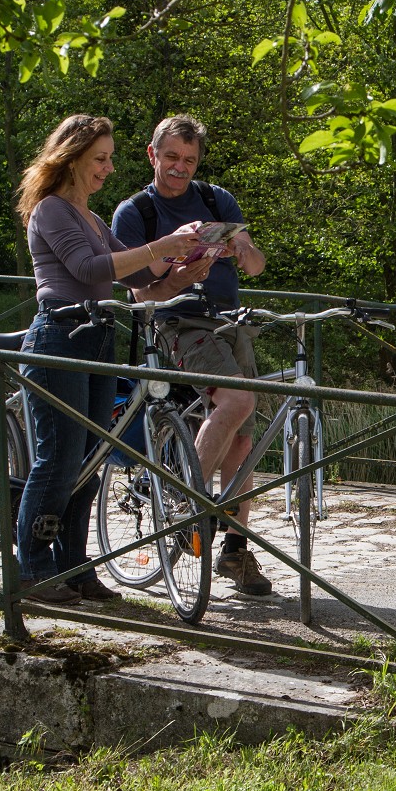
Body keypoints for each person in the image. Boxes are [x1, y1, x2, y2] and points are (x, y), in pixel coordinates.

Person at [15, 114, 202, 605]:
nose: (108, 168)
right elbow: (87, 267)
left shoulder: (94, 220)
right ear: (71, 157)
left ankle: (74, 568)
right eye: (100, 158)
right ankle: (30, 570)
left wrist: (185, 265)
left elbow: (142, 279)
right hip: (60, 335)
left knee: (90, 461)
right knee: (58, 459)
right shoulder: (51, 210)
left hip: (97, 337)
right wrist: (157, 247)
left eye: (110, 158)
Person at [111, 114, 272, 596]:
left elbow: (258, 265)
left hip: (229, 320)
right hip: (178, 321)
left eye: (190, 159)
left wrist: (241, 249)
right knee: (238, 401)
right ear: (152, 155)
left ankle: (234, 551)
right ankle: (185, 510)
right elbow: (140, 297)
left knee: (242, 441)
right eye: (172, 157)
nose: (181, 167)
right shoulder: (135, 211)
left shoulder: (215, 198)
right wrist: (180, 278)